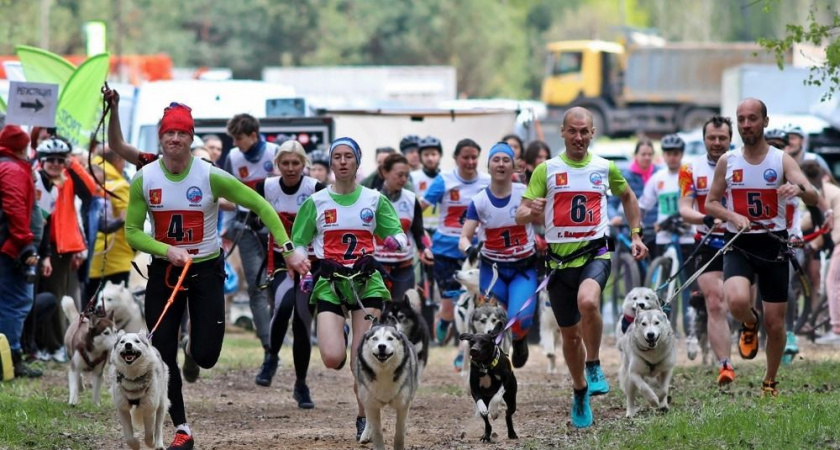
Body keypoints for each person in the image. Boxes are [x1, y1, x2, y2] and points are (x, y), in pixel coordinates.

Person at [124, 101, 309, 449]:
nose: (175, 139)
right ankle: (182, 428)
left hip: (206, 271)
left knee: (206, 356)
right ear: (161, 138)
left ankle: (192, 347)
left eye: (182, 133)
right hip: (165, 273)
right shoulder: (144, 179)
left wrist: (288, 248)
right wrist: (166, 250)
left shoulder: (209, 175)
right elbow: (132, 232)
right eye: (169, 133)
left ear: (190, 137)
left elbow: (262, 206)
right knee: (161, 355)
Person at [516, 107, 647, 428]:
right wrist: (528, 210)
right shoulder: (545, 170)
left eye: (584, 131)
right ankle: (579, 389)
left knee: (588, 301)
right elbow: (520, 213)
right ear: (562, 131)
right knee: (569, 337)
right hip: (559, 264)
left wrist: (636, 234)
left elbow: (628, 196)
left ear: (592, 133)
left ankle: (594, 364)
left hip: (595, 254)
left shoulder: (604, 168)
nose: (578, 137)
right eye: (572, 131)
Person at [290, 137, 407, 442]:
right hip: (330, 282)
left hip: (366, 283)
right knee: (331, 358)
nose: (342, 162)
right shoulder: (316, 202)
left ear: (357, 162)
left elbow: (397, 233)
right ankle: (341, 339)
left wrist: (395, 242)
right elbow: (298, 242)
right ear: (331, 162)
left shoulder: (373, 199)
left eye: (348, 157)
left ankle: (363, 417)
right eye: (337, 157)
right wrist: (304, 267)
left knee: (361, 360)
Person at [705, 98, 820, 397]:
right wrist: (732, 215)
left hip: (775, 244)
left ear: (765, 122)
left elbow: (813, 194)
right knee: (738, 301)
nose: (746, 125)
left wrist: (799, 188)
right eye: (741, 119)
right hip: (739, 242)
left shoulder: (780, 160)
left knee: (776, 323)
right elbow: (711, 202)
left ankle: (770, 380)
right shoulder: (727, 161)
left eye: (752, 118)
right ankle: (748, 322)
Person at [252, 140, 324, 406]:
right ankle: (271, 356)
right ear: (277, 165)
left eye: (296, 163)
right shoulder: (267, 187)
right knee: (283, 306)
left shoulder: (315, 189)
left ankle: (301, 385)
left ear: (304, 165)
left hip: (309, 263)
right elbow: (253, 218)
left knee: (302, 322)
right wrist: (262, 222)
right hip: (280, 260)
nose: (291, 168)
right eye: (285, 163)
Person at [460, 142, 536, 368]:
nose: (501, 164)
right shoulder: (479, 201)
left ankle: (520, 341)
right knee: (490, 325)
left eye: (506, 160)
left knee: (520, 320)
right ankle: (490, 368)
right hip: (492, 272)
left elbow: (542, 220)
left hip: (523, 269)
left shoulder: (525, 193)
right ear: (489, 165)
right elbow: (464, 237)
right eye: (496, 160)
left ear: (513, 166)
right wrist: (469, 249)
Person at [223, 113, 285, 383]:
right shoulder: (234, 159)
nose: (237, 144)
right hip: (246, 229)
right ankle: (269, 351)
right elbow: (226, 192)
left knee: (279, 288)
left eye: (240, 138)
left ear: (253, 134)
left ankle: (283, 335)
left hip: (277, 229)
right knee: (256, 287)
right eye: (234, 139)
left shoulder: (276, 154)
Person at [678, 115, 737, 385]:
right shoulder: (690, 169)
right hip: (706, 241)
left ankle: (748, 324)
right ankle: (724, 364)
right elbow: (684, 208)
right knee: (715, 302)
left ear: (730, 139)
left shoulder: (744, 164)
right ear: (703, 139)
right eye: (711, 138)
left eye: (722, 138)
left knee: (739, 302)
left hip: (742, 241)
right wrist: (704, 218)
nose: (716, 143)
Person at [421, 138, 490, 366]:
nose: (470, 162)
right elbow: (417, 208)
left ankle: (464, 350)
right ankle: (445, 320)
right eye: (465, 158)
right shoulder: (444, 181)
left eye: (474, 158)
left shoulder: (487, 182)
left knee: (476, 303)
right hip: (445, 250)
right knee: (451, 306)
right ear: (456, 159)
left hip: (475, 251)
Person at [34, 136, 102, 362]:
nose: (55, 163)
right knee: (33, 297)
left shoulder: (68, 177)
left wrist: (70, 161)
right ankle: (36, 344)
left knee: (55, 296)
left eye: (59, 159)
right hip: (34, 244)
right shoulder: (34, 176)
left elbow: (91, 190)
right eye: (50, 158)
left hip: (60, 247)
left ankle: (53, 345)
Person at [639, 134, 694, 334]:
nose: (672, 157)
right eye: (669, 153)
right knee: (664, 285)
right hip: (663, 236)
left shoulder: (689, 175)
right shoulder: (657, 179)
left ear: (681, 154)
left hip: (687, 235)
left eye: (676, 153)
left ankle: (691, 326)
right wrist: (636, 226)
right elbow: (643, 205)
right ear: (663, 155)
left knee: (688, 283)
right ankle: (664, 325)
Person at [0, 125, 43, 378]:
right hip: (10, 248)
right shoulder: (12, 169)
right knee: (16, 303)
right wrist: (26, 244)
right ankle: (10, 361)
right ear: (21, 147)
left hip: (8, 245)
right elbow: (15, 208)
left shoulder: (7, 165)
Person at [376, 153, 434, 303]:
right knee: (377, 317)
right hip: (376, 268)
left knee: (404, 316)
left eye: (406, 175)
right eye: (399, 175)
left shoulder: (410, 199)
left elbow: (418, 231)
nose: (404, 180)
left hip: (404, 268)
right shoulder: (371, 199)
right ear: (385, 173)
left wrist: (424, 249)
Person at [85, 146, 134, 302]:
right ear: (118, 160)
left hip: (93, 257)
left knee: (89, 309)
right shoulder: (120, 186)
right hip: (115, 259)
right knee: (111, 314)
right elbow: (129, 220)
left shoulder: (89, 178)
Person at [801, 162, 840, 345]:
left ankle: (837, 330)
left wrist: (823, 242)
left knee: (833, 282)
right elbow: (811, 218)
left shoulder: (831, 193)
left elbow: (835, 222)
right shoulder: (823, 191)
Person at [610, 138, 658, 257]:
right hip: (632, 227)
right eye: (643, 154)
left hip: (656, 228)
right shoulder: (625, 176)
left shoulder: (659, 174)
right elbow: (611, 203)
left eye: (650, 154)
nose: (647, 157)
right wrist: (614, 216)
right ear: (635, 155)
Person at [411, 136, 443, 234]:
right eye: (426, 154)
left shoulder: (446, 178)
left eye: (434, 154)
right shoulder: (412, 177)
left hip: (441, 231)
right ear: (420, 157)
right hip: (420, 230)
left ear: (440, 155)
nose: (430, 158)